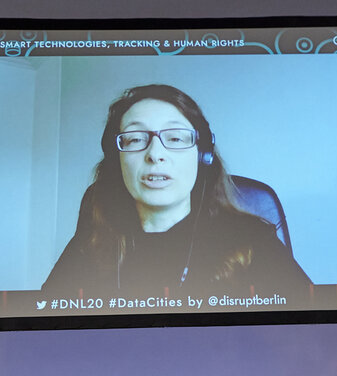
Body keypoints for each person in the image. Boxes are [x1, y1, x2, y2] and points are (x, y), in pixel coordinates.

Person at [43, 84, 310, 298]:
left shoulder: (253, 241)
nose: (155, 154)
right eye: (136, 139)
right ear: (117, 159)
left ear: (202, 155)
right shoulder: (91, 241)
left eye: (175, 138)